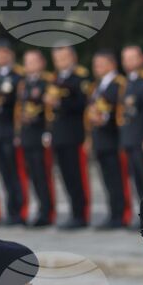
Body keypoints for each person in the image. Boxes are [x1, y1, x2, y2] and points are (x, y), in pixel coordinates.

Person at [48, 45, 92, 229]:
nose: (61, 62)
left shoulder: (80, 78)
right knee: (65, 176)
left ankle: (82, 214)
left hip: (74, 134)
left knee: (77, 176)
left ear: (73, 57)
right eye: (57, 59)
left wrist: (61, 102)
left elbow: (83, 103)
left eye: (64, 58)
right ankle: (74, 212)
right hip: (59, 135)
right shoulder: (55, 78)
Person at [86, 49, 130, 229]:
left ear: (112, 64)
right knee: (106, 179)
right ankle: (113, 213)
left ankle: (122, 214)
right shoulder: (96, 86)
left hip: (113, 138)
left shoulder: (119, 83)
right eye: (95, 64)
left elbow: (121, 109)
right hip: (100, 139)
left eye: (101, 63)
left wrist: (104, 118)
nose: (97, 67)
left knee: (118, 178)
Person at [0, 39, 27, 225]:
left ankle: (21, 211)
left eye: (4, 53)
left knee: (16, 171)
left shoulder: (19, 76)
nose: (1, 57)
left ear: (11, 54)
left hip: (12, 130)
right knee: (4, 173)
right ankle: (11, 210)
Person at [16, 49, 56, 227]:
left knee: (43, 174)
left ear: (41, 63)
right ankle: (40, 209)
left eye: (33, 62)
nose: (29, 66)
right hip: (27, 134)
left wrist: (48, 131)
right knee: (33, 175)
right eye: (27, 62)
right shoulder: (24, 84)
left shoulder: (48, 81)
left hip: (41, 133)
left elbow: (50, 109)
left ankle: (48, 212)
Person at [120, 45, 143, 201]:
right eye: (126, 58)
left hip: (142, 138)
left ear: (142, 59)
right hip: (129, 137)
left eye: (132, 58)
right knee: (137, 180)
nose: (128, 62)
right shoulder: (125, 83)